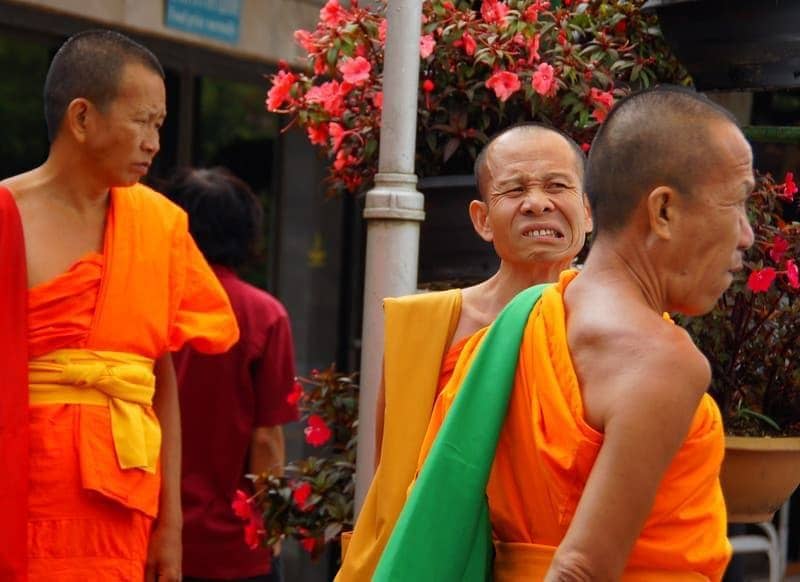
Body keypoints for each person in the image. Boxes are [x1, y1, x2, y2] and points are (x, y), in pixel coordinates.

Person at [376, 86, 755, 581]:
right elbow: (580, 570)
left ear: (588, 207)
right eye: (737, 204)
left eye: (557, 187)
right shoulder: (659, 360)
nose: (746, 234)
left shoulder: (526, 323)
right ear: (662, 211)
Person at [0, 30, 239, 581]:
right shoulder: (7, 215)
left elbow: (159, 380)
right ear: (81, 119)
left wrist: (171, 526)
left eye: (158, 125)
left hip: (123, 507)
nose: (154, 142)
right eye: (143, 121)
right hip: (23, 498)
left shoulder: (159, 225)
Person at [336, 123, 593, 581]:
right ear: (480, 219)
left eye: (557, 185)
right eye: (513, 189)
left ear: (589, 210)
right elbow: (394, 487)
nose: (537, 202)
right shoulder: (428, 327)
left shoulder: (618, 333)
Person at [164, 167, 299, 582]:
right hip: (235, 543)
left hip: (151, 533)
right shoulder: (264, 314)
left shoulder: (150, 303)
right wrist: (270, 525)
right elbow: (266, 439)